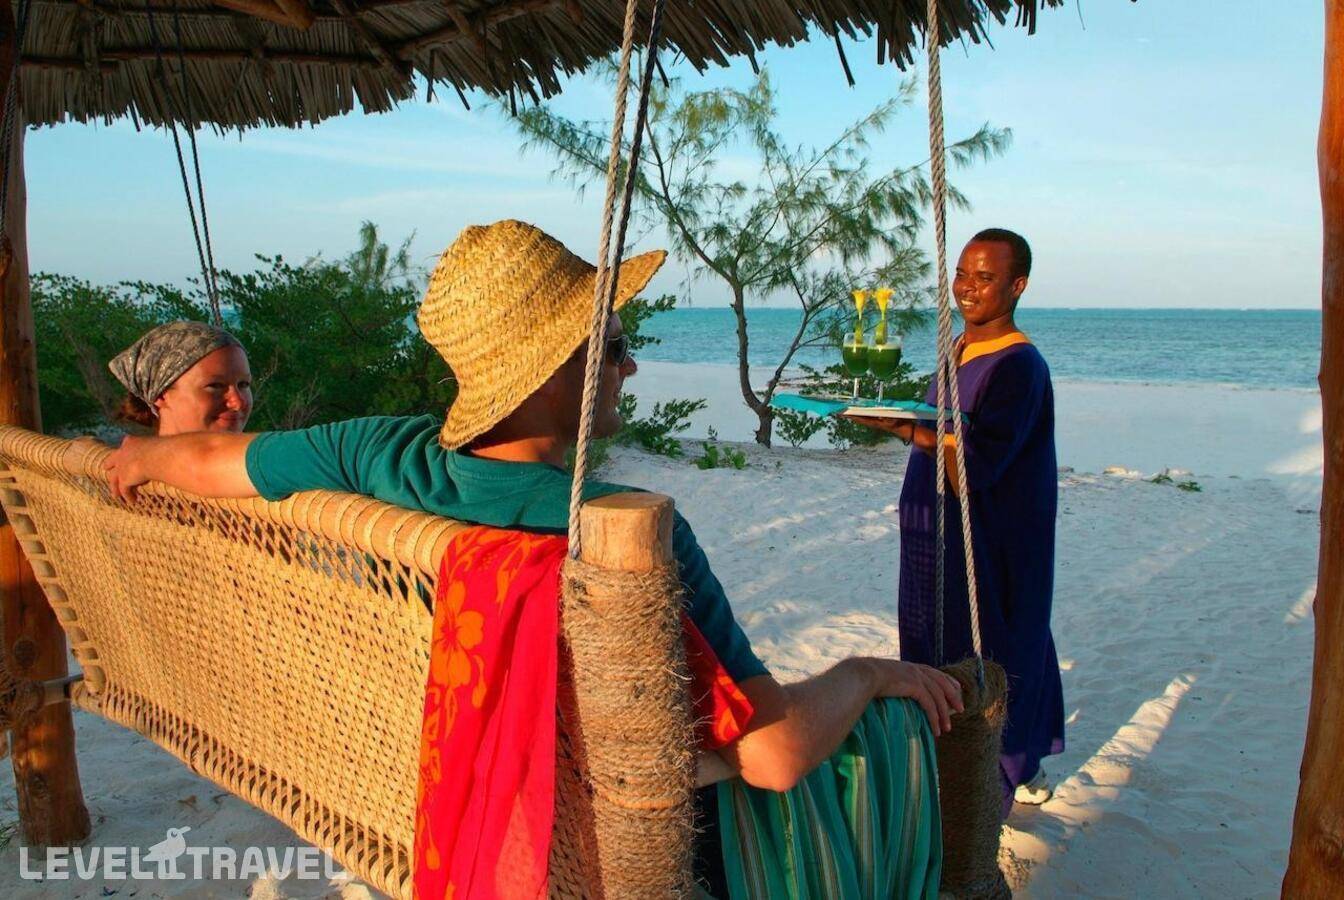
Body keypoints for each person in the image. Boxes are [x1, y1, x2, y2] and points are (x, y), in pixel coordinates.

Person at [103, 220, 961, 898]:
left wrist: (139, 457)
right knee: (887, 735)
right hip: (594, 829)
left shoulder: (373, 450)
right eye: (615, 345)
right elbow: (771, 758)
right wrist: (863, 673)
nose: (629, 364)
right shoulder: (618, 532)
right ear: (557, 369)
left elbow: (213, 462)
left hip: (433, 780)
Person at [847, 228, 1065, 816]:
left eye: (985, 277)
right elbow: (943, 431)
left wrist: (905, 429)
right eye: (962, 275)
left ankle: (1009, 767)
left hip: (987, 541)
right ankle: (948, 750)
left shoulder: (1019, 365)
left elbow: (980, 462)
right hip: (935, 534)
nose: (967, 289)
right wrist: (908, 425)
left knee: (995, 644)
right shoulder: (961, 349)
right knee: (936, 641)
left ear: (1017, 286)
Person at [109, 320, 253, 436]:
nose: (238, 402)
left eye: (243, 384)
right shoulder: (143, 472)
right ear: (161, 395)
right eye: (215, 386)